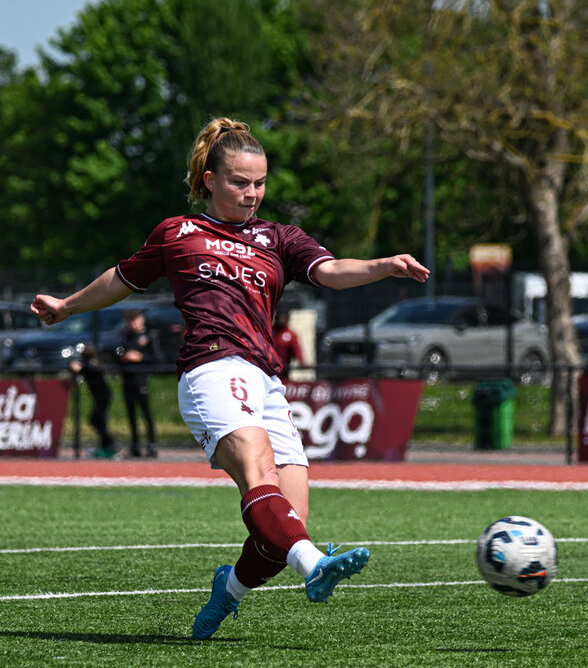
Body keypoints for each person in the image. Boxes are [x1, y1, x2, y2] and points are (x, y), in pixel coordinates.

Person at [30, 117, 429, 640]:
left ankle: (230, 590)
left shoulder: (279, 237)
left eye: (259, 183)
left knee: (285, 524)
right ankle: (315, 567)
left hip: (266, 378)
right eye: (240, 182)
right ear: (210, 179)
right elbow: (122, 278)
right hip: (212, 368)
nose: (252, 193)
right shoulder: (177, 232)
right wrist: (66, 306)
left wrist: (382, 265)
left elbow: (330, 272)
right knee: (261, 476)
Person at [117, 308, 159, 457]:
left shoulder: (149, 336)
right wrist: (124, 356)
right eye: (130, 321)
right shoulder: (126, 336)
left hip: (141, 379)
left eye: (135, 320)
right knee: (131, 415)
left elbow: (156, 357)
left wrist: (140, 358)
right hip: (128, 379)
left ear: (142, 319)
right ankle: (134, 446)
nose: (133, 324)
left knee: (146, 413)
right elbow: (118, 352)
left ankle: (152, 445)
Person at [69, 344, 116, 458]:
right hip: (99, 396)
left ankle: (109, 444)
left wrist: (80, 366)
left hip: (103, 395)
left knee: (97, 419)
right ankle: (106, 444)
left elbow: (88, 368)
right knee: (97, 420)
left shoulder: (91, 364)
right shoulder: (89, 364)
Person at [271, 310, 305, 377]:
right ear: (276, 319)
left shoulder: (290, 334)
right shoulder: (269, 332)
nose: (282, 321)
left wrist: (301, 362)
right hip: (269, 366)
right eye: (280, 318)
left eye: (284, 318)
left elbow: (296, 349)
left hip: (284, 368)